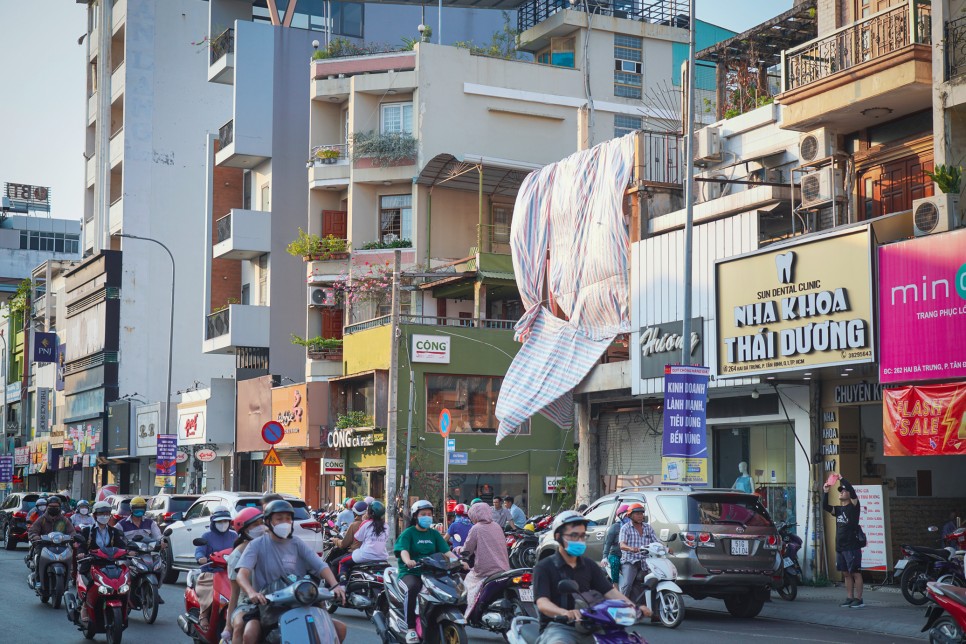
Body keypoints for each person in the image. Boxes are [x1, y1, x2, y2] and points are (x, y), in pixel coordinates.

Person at [236, 500, 347, 644]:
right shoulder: (256, 545)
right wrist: (252, 593)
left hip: (300, 602)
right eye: (279, 518)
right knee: (250, 634)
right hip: (267, 605)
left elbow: (321, 566)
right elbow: (242, 574)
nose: (285, 522)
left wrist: (335, 585)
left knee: (339, 629)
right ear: (269, 521)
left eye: (288, 518)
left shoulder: (297, 543)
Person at [532, 511, 650, 643]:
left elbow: (610, 592)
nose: (580, 540)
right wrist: (563, 613)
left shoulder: (589, 565)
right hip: (559, 627)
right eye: (574, 536)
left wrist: (634, 607)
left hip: (591, 625)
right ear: (558, 536)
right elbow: (542, 603)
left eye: (583, 536)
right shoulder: (544, 567)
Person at [395, 500, 461, 644]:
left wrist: (459, 561)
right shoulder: (408, 533)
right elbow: (403, 550)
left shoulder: (434, 534)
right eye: (423, 514)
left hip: (432, 573)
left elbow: (446, 551)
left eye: (429, 514)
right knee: (412, 588)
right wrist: (408, 561)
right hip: (411, 573)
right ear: (415, 516)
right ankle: (411, 628)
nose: (427, 517)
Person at [76, 501, 127, 623]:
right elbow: (82, 546)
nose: (104, 516)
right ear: (95, 515)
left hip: (110, 564)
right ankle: (84, 606)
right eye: (101, 513)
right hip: (92, 563)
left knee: (122, 580)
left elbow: (121, 545)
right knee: (90, 582)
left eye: (107, 513)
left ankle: (125, 606)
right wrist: (81, 553)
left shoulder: (114, 532)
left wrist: (128, 551)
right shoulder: (87, 531)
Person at [224, 507, 267, 644]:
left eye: (262, 523)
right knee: (241, 625)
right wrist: (228, 626)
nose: (260, 527)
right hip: (247, 603)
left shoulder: (271, 546)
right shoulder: (237, 555)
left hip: (274, 599)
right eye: (255, 525)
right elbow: (235, 593)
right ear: (244, 530)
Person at [462, 500, 510, 618]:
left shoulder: (476, 528)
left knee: (468, 579)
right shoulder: (497, 526)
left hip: (486, 570)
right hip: (504, 568)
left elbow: (467, 549)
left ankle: (468, 613)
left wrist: (460, 552)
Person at [195, 506, 238, 630]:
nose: (223, 524)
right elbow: (199, 551)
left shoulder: (234, 536)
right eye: (219, 521)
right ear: (213, 521)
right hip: (211, 572)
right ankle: (203, 615)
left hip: (229, 572)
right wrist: (200, 558)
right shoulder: (206, 536)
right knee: (208, 588)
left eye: (225, 521)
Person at [823, 476, 864, 608]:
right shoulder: (839, 510)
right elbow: (825, 506)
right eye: (840, 491)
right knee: (846, 573)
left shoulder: (854, 506)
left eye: (843, 491)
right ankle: (849, 597)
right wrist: (826, 491)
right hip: (840, 546)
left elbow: (852, 490)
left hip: (852, 546)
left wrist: (842, 478)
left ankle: (859, 599)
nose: (841, 492)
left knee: (855, 573)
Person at [340, 500, 389, 582]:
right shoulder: (386, 526)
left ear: (370, 513)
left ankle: (342, 586)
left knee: (343, 562)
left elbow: (358, 538)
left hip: (365, 556)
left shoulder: (366, 524)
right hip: (382, 557)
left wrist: (364, 520)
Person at [618, 503, 658, 598]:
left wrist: (666, 548)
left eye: (641, 513)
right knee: (627, 584)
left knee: (657, 580)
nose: (640, 516)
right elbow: (622, 545)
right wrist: (631, 548)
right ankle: (622, 605)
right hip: (630, 560)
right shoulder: (625, 528)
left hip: (647, 561)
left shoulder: (648, 527)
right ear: (630, 515)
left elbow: (656, 541)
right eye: (637, 514)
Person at [28, 495, 75, 575]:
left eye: (56, 506)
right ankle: (38, 577)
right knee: (39, 556)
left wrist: (73, 537)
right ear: (47, 507)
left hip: (61, 545)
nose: (53, 508)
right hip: (44, 545)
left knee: (70, 555)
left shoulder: (64, 520)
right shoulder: (41, 519)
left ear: (60, 507)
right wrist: (35, 536)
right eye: (51, 506)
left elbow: (72, 532)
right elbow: (32, 531)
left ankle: (69, 576)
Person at [333, 501, 367, 577]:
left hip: (359, 553)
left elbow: (343, 544)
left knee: (337, 563)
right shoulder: (376, 525)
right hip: (375, 555)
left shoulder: (357, 525)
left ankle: (340, 586)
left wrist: (334, 540)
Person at [601, 504, 629, 585]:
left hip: (630, 555)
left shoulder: (634, 527)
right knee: (615, 563)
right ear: (620, 516)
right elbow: (608, 543)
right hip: (615, 555)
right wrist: (604, 557)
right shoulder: (614, 527)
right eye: (626, 515)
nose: (628, 518)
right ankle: (615, 585)